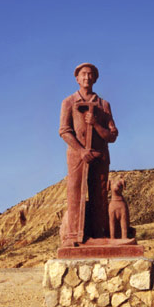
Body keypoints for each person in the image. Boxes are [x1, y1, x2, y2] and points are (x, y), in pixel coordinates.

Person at [59, 63, 118, 246]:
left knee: (99, 194)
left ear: (95, 79)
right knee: (75, 192)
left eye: (90, 74)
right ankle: (73, 236)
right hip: (78, 156)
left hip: (99, 156)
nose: (87, 77)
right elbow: (64, 131)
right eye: (83, 74)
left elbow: (112, 135)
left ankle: (99, 235)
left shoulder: (104, 105)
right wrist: (81, 150)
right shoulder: (69, 102)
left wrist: (96, 124)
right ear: (77, 79)